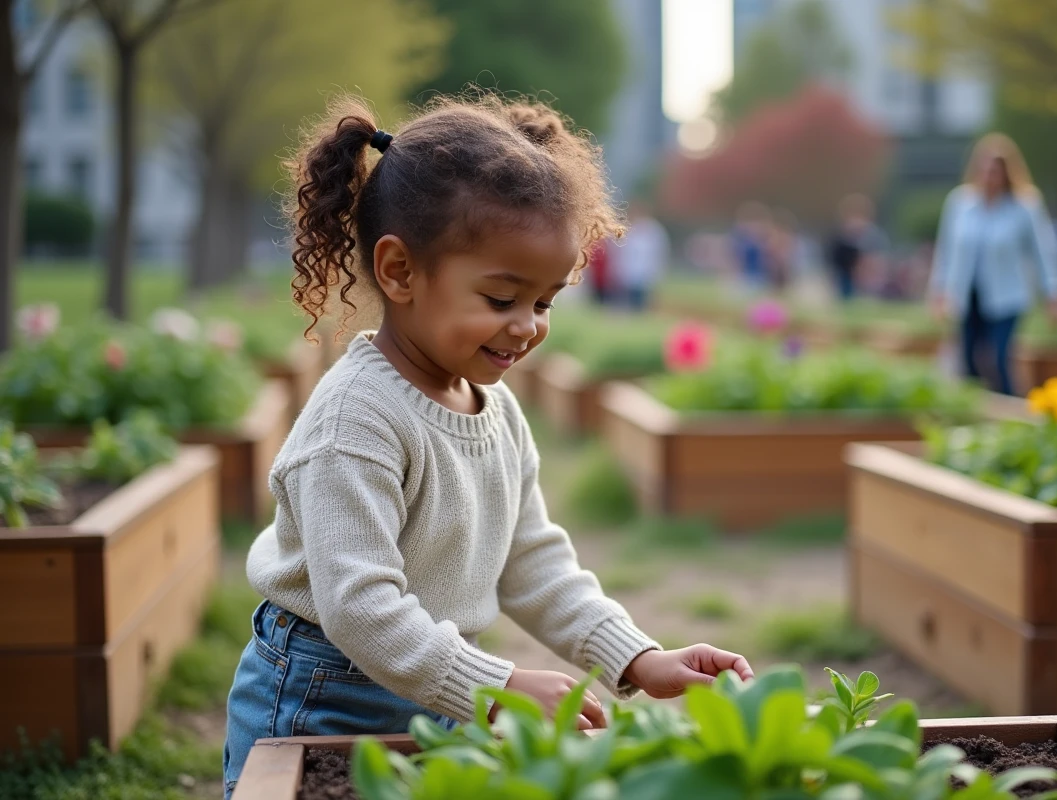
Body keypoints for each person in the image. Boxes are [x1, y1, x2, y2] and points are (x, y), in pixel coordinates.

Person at [221, 96, 754, 797]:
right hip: (324, 689)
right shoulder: (355, 420)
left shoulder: (495, 411)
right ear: (401, 272)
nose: (528, 326)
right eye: (502, 299)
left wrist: (638, 659)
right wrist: (497, 684)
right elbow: (358, 607)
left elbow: (533, 565)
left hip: (437, 682)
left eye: (546, 302)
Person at [928, 133, 1057, 396]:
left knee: (999, 358)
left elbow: (1044, 252)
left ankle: (1011, 410)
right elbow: (945, 251)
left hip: (1008, 296)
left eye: (996, 170)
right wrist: (938, 291)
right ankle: (977, 417)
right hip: (968, 297)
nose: (990, 176)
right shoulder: (960, 204)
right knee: (968, 361)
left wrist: (1054, 293)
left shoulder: (1024, 206)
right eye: (986, 169)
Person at [825, 194, 887, 301]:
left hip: (867, 276)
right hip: (845, 277)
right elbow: (834, 260)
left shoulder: (872, 236)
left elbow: (876, 259)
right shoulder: (840, 237)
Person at [611, 201, 669, 311]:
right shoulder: (627, 229)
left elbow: (658, 254)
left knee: (640, 304)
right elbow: (620, 252)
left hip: (644, 275)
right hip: (626, 275)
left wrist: (656, 273)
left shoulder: (653, 231)